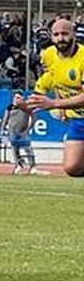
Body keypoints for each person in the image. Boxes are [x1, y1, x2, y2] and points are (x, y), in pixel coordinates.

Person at [25, 16, 84, 177]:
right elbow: (55, 79)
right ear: (51, 36)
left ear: (73, 35)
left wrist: (55, 103)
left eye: (65, 34)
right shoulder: (49, 55)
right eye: (56, 34)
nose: (61, 38)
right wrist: (26, 106)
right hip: (78, 119)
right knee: (72, 168)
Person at [2, 93, 36, 174]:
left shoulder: (26, 106)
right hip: (12, 131)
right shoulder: (10, 107)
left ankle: (32, 166)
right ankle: (19, 165)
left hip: (23, 131)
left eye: (18, 98)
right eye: (15, 97)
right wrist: (2, 129)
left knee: (28, 149)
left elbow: (33, 116)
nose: (16, 99)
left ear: (22, 98)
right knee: (15, 150)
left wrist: (30, 126)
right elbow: (5, 118)